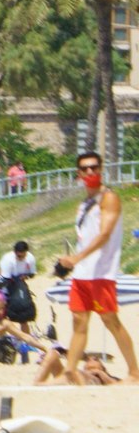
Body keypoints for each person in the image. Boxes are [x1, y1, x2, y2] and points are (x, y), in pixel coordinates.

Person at [55, 150, 138, 383]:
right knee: (79, 321)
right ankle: (70, 371)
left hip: (101, 272)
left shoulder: (108, 197)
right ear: (79, 173)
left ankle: (134, 371)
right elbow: (87, 236)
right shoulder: (84, 203)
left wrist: (76, 258)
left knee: (110, 320)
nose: (90, 171)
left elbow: (104, 235)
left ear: (101, 169)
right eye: (85, 168)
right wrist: (73, 260)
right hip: (83, 272)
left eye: (94, 167)